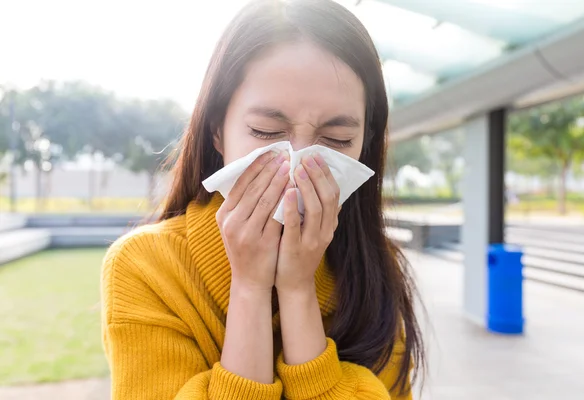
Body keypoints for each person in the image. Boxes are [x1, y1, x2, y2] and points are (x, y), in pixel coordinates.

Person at [100, 0, 424, 398]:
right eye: (267, 130)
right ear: (217, 131)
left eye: (337, 140)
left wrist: (297, 290)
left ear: (364, 144)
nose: (297, 165)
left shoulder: (373, 265)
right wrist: (250, 288)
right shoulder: (146, 267)